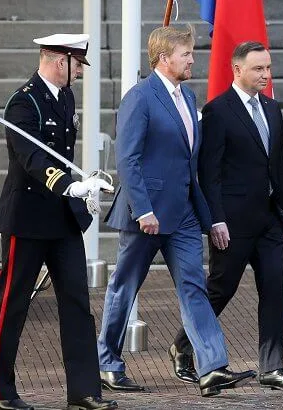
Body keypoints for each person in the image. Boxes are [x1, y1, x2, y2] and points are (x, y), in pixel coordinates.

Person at [97, 25, 255, 398]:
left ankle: (212, 367)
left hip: (183, 213)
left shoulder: (188, 96)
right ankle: (107, 363)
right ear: (164, 58)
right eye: (187, 53)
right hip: (147, 215)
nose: (192, 59)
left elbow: (190, 165)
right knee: (125, 286)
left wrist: (209, 217)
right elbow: (129, 159)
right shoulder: (140, 97)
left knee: (194, 287)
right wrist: (143, 209)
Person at [0, 34, 117, 410]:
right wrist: (69, 186)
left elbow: (61, 155)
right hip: (27, 219)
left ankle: (84, 391)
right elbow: (32, 160)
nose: (78, 73)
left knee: (77, 303)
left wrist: (84, 185)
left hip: (61, 221)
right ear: (60, 61)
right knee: (12, 305)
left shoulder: (66, 98)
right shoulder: (22, 103)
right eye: (77, 65)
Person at [170, 41, 283, 391]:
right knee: (220, 289)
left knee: (275, 290)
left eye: (268, 68)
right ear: (237, 70)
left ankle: (272, 367)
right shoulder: (218, 111)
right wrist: (215, 220)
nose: (266, 74)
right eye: (258, 68)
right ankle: (183, 344)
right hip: (232, 223)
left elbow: (278, 165)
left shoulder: (273, 109)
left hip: (269, 222)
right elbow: (209, 172)